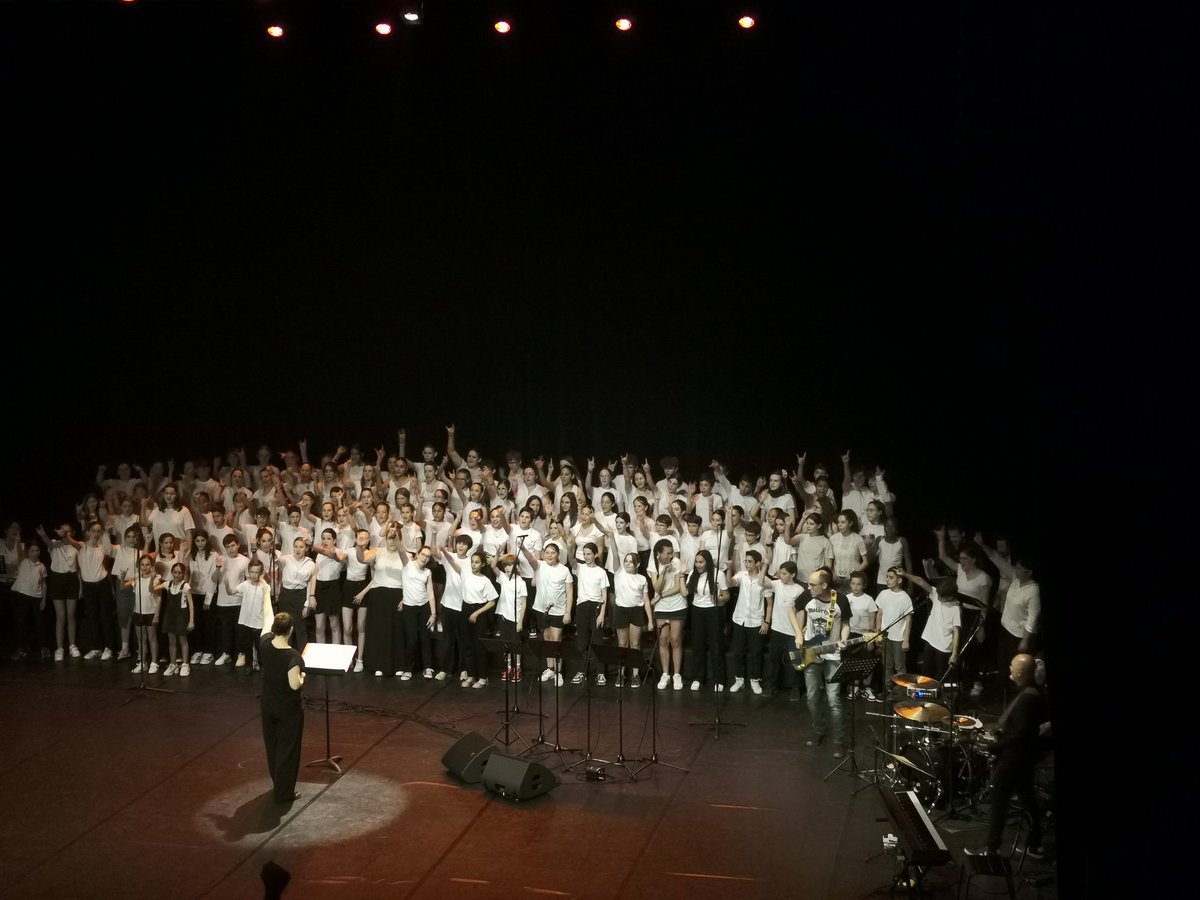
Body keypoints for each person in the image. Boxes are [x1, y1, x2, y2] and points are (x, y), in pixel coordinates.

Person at [965, 653, 1049, 859]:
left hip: (1014, 758)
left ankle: (991, 849)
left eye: (1012, 666)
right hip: (1024, 757)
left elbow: (1022, 733)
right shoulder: (1031, 692)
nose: (1009, 668)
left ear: (1019, 671)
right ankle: (1035, 844)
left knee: (999, 800)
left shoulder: (1027, 699)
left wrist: (996, 746)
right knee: (1028, 798)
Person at [789, 566, 852, 757]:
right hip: (810, 653)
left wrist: (843, 638)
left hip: (832, 656)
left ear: (824, 585)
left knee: (833, 700)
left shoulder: (840, 600)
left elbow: (846, 624)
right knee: (812, 698)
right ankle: (819, 731)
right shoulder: (808, 597)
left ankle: (838, 741)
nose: (808, 588)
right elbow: (791, 610)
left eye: (812, 585)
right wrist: (799, 634)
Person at [259, 600, 306, 805]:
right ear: (291, 630)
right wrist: (303, 676)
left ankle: (277, 782)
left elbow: (268, 616)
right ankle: (284, 792)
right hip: (288, 709)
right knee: (288, 749)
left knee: (273, 745)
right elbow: (295, 685)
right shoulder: (292, 656)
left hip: (268, 705)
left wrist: (266, 592)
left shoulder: (264, 644)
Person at [898, 569, 962, 681]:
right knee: (926, 672)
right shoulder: (937, 594)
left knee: (941, 676)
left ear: (950, 597)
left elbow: (956, 631)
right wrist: (905, 574)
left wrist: (955, 654)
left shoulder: (955, 608)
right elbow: (921, 582)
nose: (938, 598)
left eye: (941, 597)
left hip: (943, 647)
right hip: (930, 641)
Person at [686, 549, 729, 692]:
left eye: (701, 562)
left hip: (713, 611)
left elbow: (726, 596)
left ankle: (719, 679)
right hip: (697, 611)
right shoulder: (693, 574)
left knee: (716, 645)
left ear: (707, 562)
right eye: (696, 562)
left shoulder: (719, 574)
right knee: (697, 645)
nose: (698, 565)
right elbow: (686, 591)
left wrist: (720, 599)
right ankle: (698, 677)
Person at [648, 538, 687, 690]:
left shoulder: (676, 562)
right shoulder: (654, 564)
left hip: (677, 604)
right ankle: (666, 674)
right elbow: (657, 588)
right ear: (659, 554)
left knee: (675, 639)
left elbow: (678, 587)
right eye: (667, 553)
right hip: (662, 607)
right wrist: (663, 573)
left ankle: (677, 675)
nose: (670, 556)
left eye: (671, 553)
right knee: (663, 639)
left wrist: (661, 596)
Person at [612, 551, 652, 688]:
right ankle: (621, 674)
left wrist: (650, 620)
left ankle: (635, 675)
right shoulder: (619, 574)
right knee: (622, 644)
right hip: (621, 610)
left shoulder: (642, 579)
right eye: (626, 561)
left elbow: (646, 600)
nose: (628, 564)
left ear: (638, 564)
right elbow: (616, 555)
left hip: (636, 611)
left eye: (631, 561)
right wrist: (611, 537)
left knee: (635, 644)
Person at [874, 567, 915, 695]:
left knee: (899, 666)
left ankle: (901, 691)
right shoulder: (883, 594)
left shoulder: (905, 597)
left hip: (898, 638)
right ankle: (887, 690)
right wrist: (878, 631)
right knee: (887, 665)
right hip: (886, 636)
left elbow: (908, 620)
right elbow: (880, 613)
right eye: (887, 577)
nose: (887, 580)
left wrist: (906, 639)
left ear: (899, 579)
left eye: (891, 577)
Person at [155, 562, 195, 676]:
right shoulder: (168, 584)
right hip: (169, 615)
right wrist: (155, 577)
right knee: (171, 640)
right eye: (175, 572)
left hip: (181, 616)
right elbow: (154, 588)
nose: (177, 575)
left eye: (179, 573)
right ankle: (173, 664)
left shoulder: (185, 586)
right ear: (172, 573)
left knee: (182, 640)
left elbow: (191, 604)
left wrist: (191, 621)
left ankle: (185, 664)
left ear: (183, 574)